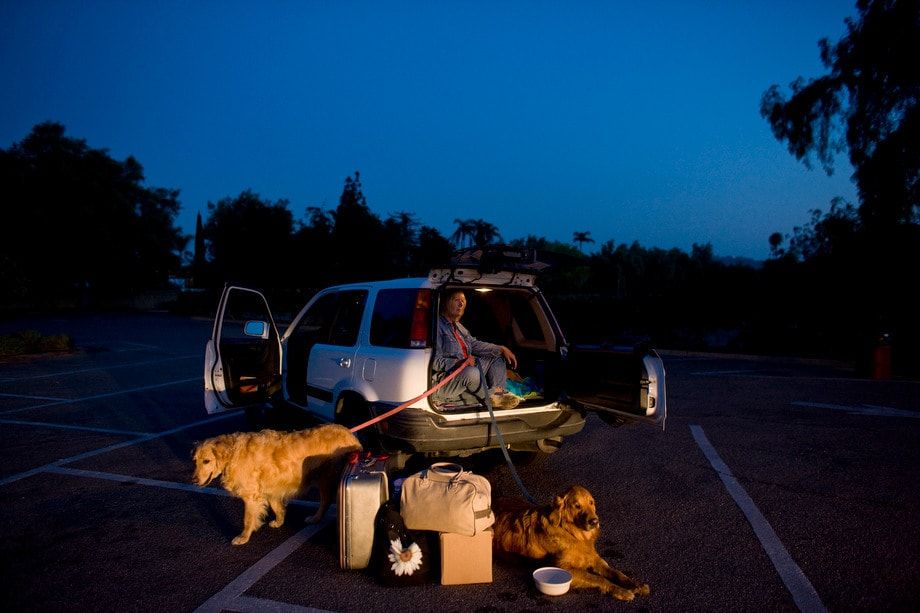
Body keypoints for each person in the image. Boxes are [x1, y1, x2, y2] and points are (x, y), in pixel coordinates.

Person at [432, 289, 521, 409]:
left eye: (463, 301)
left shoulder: (458, 326)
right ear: (446, 303)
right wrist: (459, 363)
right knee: (472, 372)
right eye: (456, 300)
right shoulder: (437, 326)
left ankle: (498, 394)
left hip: (467, 369)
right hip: (448, 378)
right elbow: (434, 362)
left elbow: (474, 344)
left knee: (496, 356)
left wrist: (500, 348)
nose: (461, 304)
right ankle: (490, 398)